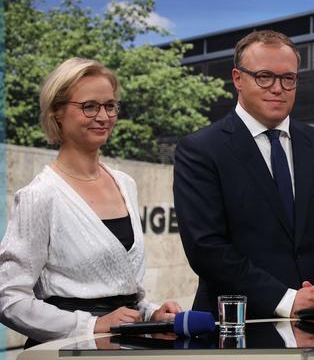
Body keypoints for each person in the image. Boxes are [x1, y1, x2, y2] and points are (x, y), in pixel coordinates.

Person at [173, 30, 314, 319]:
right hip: (238, 328)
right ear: (237, 79)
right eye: (264, 76)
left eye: (288, 78)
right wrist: (288, 300)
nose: (277, 88)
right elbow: (207, 248)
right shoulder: (200, 150)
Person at [0, 58, 181, 347]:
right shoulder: (40, 195)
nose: (103, 116)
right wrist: (90, 324)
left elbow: (123, 291)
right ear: (57, 112)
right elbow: (8, 297)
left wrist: (151, 313)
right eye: (89, 106)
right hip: (66, 350)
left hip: (123, 346)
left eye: (110, 106)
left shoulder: (125, 184)